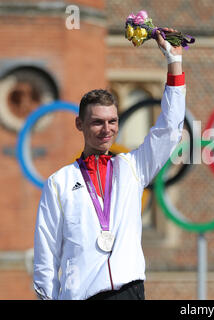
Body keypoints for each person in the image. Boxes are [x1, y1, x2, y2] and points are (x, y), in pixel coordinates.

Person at [33, 28, 185, 300]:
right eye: (97, 122)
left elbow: (170, 130)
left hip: (130, 292)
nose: (106, 129)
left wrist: (174, 62)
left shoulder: (133, 168)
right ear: (79, 124)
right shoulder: (60, 183)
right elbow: (45, 259)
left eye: (112, 121)